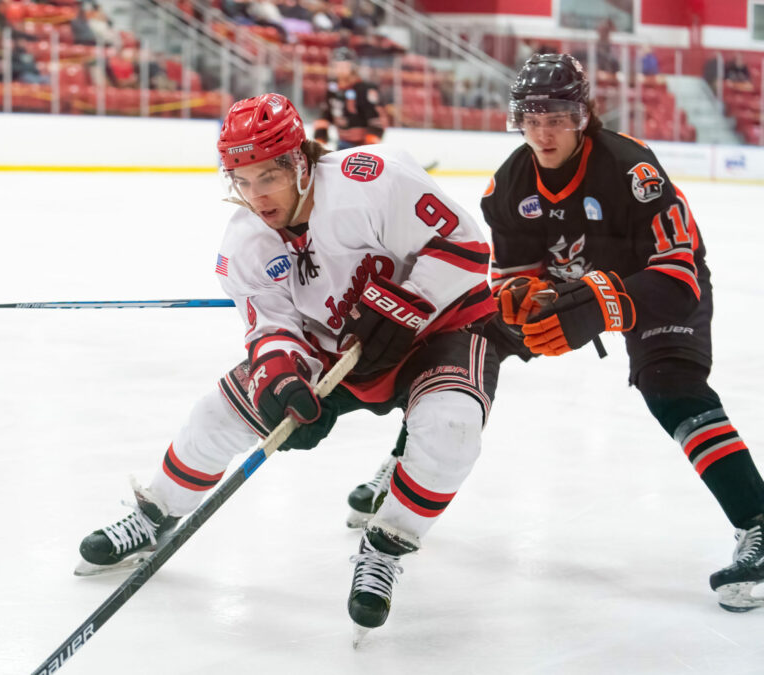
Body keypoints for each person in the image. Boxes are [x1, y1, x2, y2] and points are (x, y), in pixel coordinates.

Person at [75, 93, 499, 636]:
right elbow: (271, 329)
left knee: (451, 428)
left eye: (267, 178)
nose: (255, 197)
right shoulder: (244, 244)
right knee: (216, 416)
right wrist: (282, 380)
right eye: (241, 181)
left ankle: (387, 545)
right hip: (335, 344)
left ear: (299, 162)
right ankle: (155, 514)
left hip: (440, 328)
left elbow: (465, 246)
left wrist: (406, 305)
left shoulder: (371, 180)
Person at [482, 53, 763, 611]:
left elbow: (678, 272)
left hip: (654, 287)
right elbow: (515, 277)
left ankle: (757, 520)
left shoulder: (632, 170)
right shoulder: (508, 184)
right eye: (532, 119)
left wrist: (601, 307)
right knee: (470, 343)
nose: (543, 132)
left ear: (582, 116)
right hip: (576, 290)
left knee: (670, 387)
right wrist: (517, 300)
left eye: (557, 118)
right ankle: (403, 464)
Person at [313, 47, 387, 150]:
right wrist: (320, 140)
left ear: (352, 66)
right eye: (337, 65)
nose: (340, 69)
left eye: (344, 65)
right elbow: (324, 116)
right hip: (343, 143)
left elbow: (376, 119)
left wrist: (370, 143)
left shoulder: (365, 89)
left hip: (363, 145)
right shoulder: (332, 89)